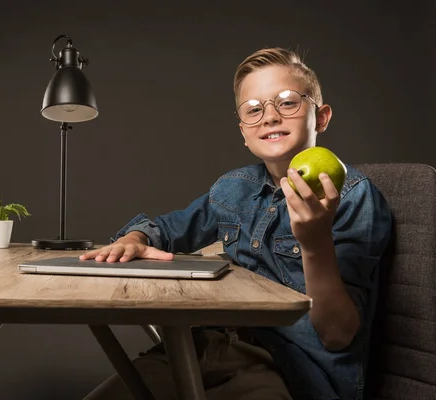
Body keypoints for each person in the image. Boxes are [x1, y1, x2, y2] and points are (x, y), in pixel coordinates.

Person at [80, 47, 392, 400]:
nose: (270, 117)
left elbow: (337, 334)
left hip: (290, 369)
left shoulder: (352, 198)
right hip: (208, 348)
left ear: (320, 118)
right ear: (243, 132)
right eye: (254, 110)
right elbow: (168, 229)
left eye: (287, 102)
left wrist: (314, 242)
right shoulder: (233, 188)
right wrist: (136, 237)